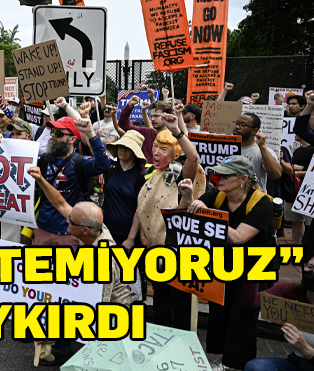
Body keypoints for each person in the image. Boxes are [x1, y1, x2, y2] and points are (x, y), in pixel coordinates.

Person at [178, 156, 275, 370]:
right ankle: (221, 359)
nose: (218, 178)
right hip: (226, 265)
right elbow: (189, 213)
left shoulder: (262, 204)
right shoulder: (216, 194)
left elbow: (238, 238)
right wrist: (188, 197)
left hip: (255, 268)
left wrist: (208, 213)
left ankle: (237, 365)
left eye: (225, 175)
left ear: (243, 179)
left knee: (242, 316)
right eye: (217, 174)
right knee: (219, 313)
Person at [27, 166, 131, 365]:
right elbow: (60, 202)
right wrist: (40, 179)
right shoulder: (93, 226)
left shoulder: (103, 260)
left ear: (84, 231)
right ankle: (64, 349)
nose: (67, 220)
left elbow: (99, 308)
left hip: (113, 313)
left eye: (71, 221)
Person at [123, 115, 203, 332]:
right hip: (155, 249)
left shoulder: (179, 173)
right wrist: (139, 234)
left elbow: (193, 158)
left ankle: (182, 341)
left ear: (176, 154)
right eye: (155, 147)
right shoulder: (153, 173)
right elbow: (143, 208)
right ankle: (161, 335)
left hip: (175, 250)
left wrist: (177, 131)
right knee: (160, 297)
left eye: (164, 149)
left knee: (178, 300)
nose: (156, 152)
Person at [35, 114, 110, 248]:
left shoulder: (81, 162)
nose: (52, 136)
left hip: (70, 233)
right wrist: (0, 142)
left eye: (58, 133)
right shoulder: (44, 159)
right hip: (43, 229)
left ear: (73, 139)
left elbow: (104, 164)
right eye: (52, 132)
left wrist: (90, 133)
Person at [242, 249, 314, 371]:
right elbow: (251, 302)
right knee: (255, 367)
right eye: (310, 267)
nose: (312, 273)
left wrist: (306, 350)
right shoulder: (292, 291)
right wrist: (254, 273)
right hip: (296, 362)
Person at [102, 131, 147, 245]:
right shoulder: (110, 168)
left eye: (128, 147)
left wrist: (131, 238)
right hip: (106, 232)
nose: (123, 150)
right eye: (120, 146)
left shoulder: (142, 176)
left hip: (128, 236)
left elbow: (142, 209)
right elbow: (93, 148)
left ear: (135, 151)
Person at [233, 112, 281, 192]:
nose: (237, 127)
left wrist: (262, 147)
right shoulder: (227, 148)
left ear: (254, 130)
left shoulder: (261, 151)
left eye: (243, 125)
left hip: (254, 198)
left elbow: (276, 174)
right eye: (237, 123)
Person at [118, 95, 174, 161]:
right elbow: (123, 125)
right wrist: (129, 106)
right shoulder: (146, 132)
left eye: (156, 116)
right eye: (151, 116)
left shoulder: (176, 137)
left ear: (167, 116)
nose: (152, 119)